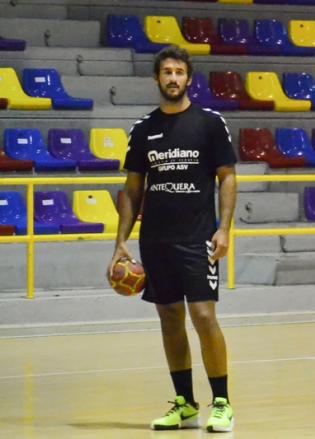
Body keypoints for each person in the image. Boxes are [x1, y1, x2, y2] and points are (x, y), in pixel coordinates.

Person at [107, 46, 237, 433]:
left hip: (197, 238)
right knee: (169, 318)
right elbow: (131, 190)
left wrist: (225, 228)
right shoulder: (143, 129)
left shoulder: (210, 123)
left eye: (180, 71)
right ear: (157, 79)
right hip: (156, 240)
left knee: (203, 316)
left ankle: (222, 403)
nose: (173, 78)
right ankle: (184, 404)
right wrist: (120, 242)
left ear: (189, 79)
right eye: (167, 72)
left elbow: (227, 177)